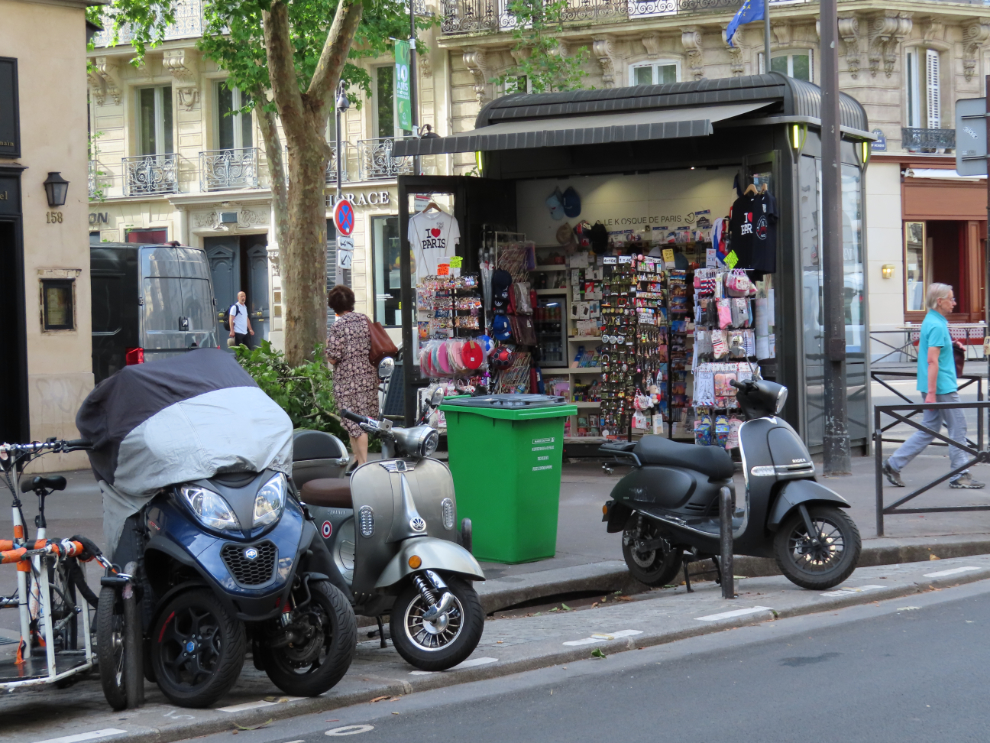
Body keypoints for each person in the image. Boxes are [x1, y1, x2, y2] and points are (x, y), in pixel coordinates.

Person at [883, 283, 984, 490]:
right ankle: (960, 474)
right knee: (958, 426)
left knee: (930, 428)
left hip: (933, 385)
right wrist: (931, 393)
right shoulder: (937, 324)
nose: (954, 303)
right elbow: (932, 360)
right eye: (951, 298)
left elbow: (934, 348)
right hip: (941, 387)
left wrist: (952, 345)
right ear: (940, 301)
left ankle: (894, 464)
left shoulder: (931, 319)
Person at [326, 285, 379, 466]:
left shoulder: (338, 326)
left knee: (353, 422)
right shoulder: (365, 320)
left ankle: (363, 463)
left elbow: (333, 358)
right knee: (362, 419)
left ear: (333, 305)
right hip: (367, 376)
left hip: (347, 381)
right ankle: (357, 460)